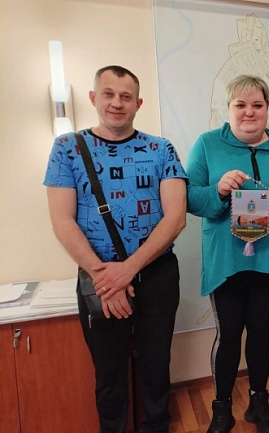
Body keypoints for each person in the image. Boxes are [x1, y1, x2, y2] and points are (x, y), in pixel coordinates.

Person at [44, 65, 187, 433]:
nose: (117, 103)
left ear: (138, 103)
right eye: (108, 94)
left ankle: (156, 427)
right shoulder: (67, 148)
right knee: (109, 373)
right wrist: (106, 278)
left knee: (156, 366)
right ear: (94, 98)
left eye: (126, 97)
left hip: (156, 276)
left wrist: (128, 270)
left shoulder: (161, 149)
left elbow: (175, 219)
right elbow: (62, 221)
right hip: (99, 278)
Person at [186, 75, 269, 433]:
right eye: (240, 104)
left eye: (257, 105)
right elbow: (188, 198)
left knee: (261, 331)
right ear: (229, 109)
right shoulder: (207, 145)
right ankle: (222, 407)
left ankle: (258, 402)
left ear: (267, 108)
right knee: (229, 334)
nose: (249, 112)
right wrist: (218, 191)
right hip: (227, 260)